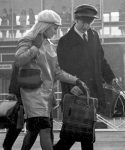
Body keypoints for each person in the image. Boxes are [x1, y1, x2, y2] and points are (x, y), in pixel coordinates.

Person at [15, 9, 86, 150]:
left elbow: (57, 72)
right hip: (33, 95)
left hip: (47, 96)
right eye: (55, 28)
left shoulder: (49, 44)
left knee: (36, 130)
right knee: (45, 130)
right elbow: (19, 60)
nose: (56, 32)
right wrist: (35, 47)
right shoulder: (28, 40)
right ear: (45, 26)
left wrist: (76, 80)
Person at [54, 4, 118, 150]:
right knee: (69, 136)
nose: (86, 26)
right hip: (75, 93)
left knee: (87, 135)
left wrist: (110, 78)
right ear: (76, 20)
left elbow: (101, 60)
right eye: (84, 22)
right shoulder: (65, 41)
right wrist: (72, 87)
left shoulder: (94, 36)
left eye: (90, 23)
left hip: (92, 93)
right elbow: (62, 69)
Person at [2, 62, 24, 150]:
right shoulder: (22, 60)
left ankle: (7, 146)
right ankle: (7, 146)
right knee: (17, 124)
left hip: (19, 96)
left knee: (17, 125)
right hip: (21, 97)